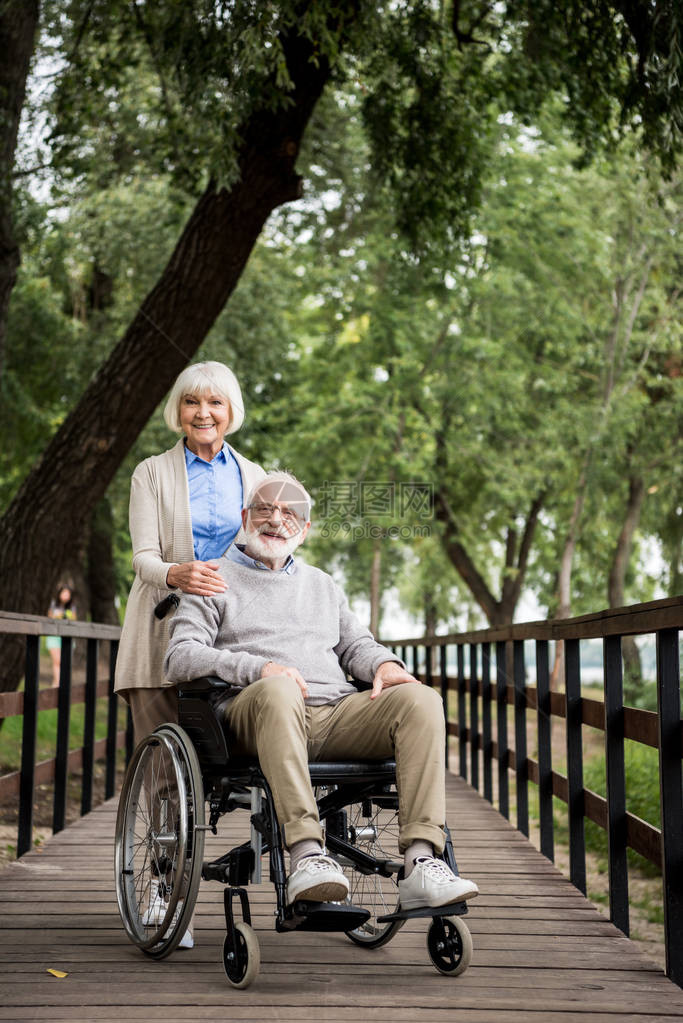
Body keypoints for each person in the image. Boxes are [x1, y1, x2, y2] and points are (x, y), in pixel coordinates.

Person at [164, 471, 479, 912]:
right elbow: (179, 656)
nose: (276, 519)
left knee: (421, 699)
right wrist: (258, 668)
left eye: (290, 512)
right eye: (264, 509)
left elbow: (356, 645)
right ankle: (308, 854)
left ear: (305, 529)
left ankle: (420, 863)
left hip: (334, 713)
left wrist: (386, 664)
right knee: (278, 689)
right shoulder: (214, 578)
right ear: (244, 516)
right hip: (254, 714)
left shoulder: (322, 585)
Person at [114, 361, 265, 747]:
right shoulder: (150, 473)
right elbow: (143, 558)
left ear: (231, 410)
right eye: (191, 402)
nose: (203, 412)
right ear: (177, 410)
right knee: (163, 761)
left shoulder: (255, 477)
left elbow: (266, 555)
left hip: (233, 630)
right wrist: (175, 573)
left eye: (215, 401)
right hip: (161, 623)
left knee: (235, 755)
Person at [46, 584, 76, 687]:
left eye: (68, 593)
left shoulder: (72, 607)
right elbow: (49, 617)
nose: (66, 595)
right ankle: (57, 683)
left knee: (66, 662)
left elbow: (74, 620)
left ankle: (61, 683)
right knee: (57, 661)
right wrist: (57, 616)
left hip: (67, 636)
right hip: (54, 636)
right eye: (64, 593)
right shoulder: (53, 604)